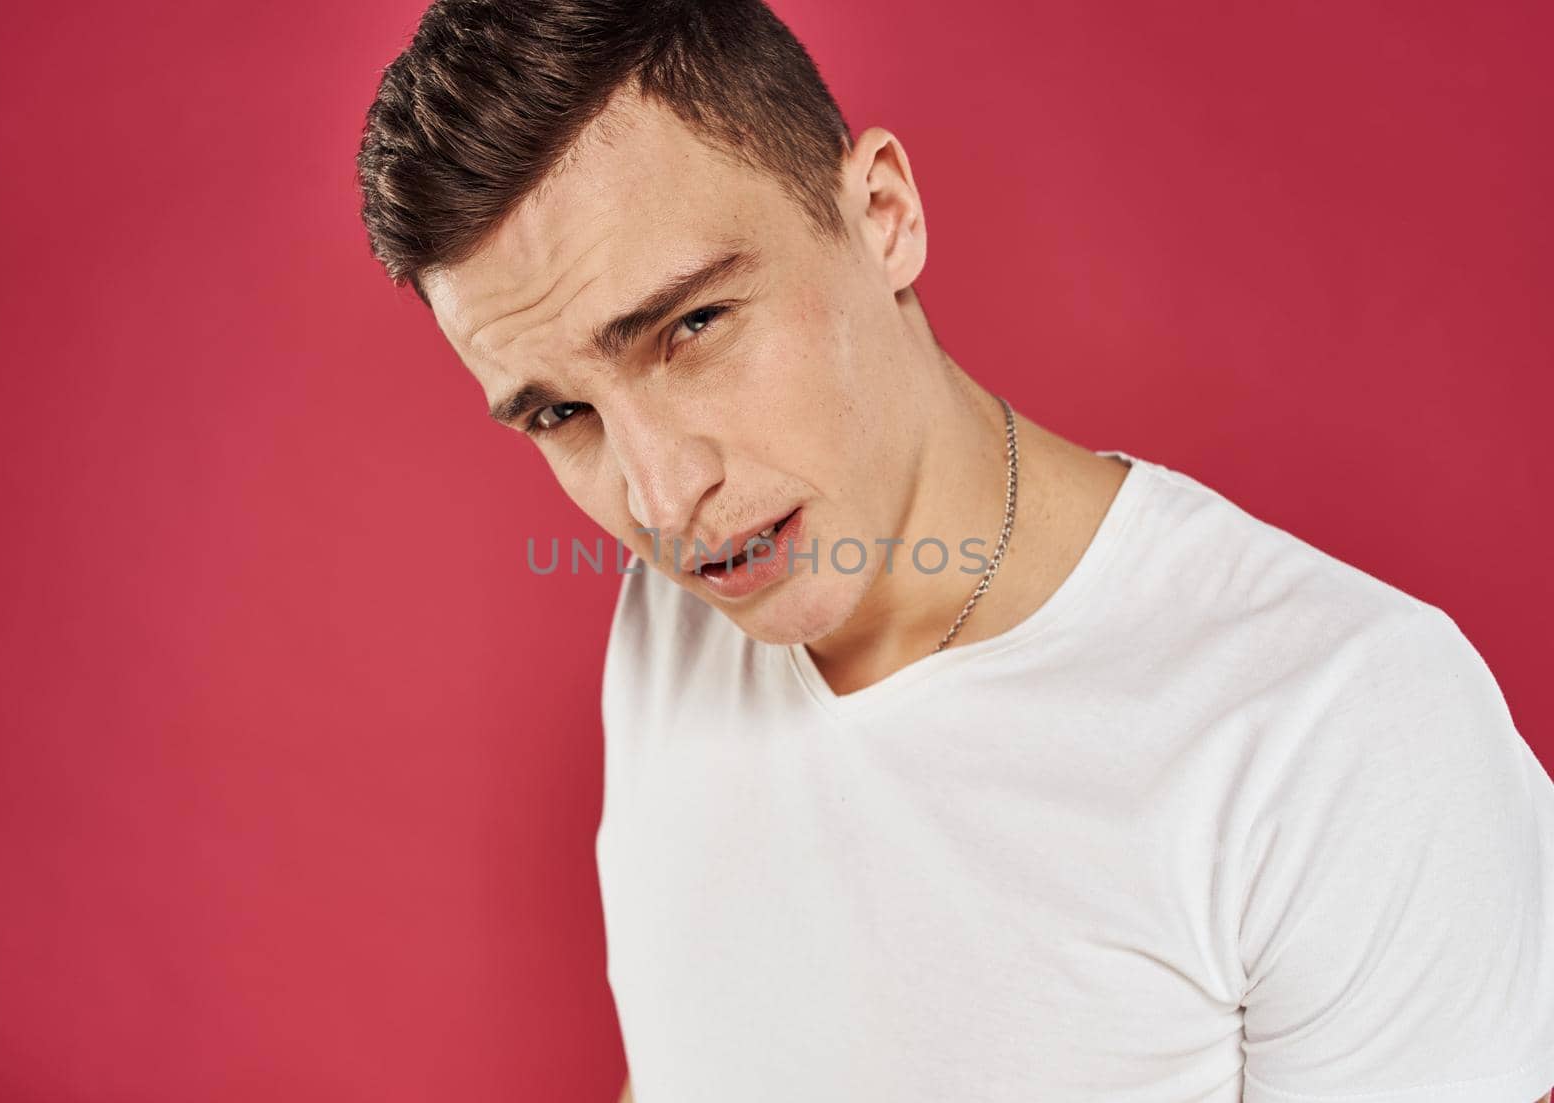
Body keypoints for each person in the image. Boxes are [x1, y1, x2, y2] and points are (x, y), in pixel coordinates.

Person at [355, 2, 1554, 1100]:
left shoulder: (1346, 728)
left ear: (881, 215)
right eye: (563, 414)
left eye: (692, 326)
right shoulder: (669, 618)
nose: (663, 497)